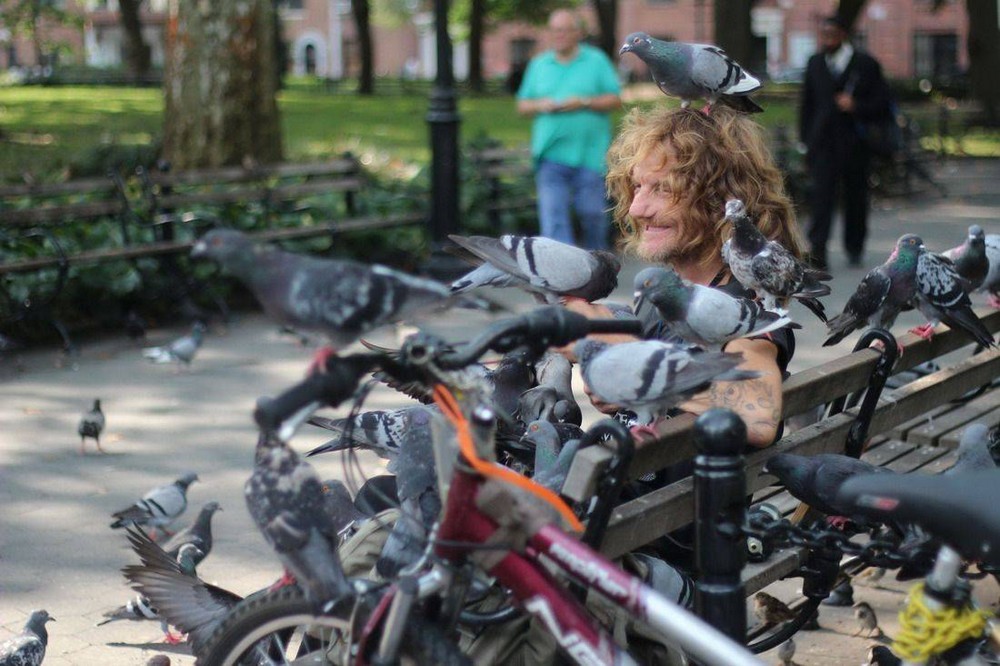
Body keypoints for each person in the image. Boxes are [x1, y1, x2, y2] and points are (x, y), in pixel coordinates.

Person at [569, 105, 804, 449]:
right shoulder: (665, 292)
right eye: (637, 186)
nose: (636, 208)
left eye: (663, 189)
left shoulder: (743, 308)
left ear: (720, 200)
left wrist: (633, 362)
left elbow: (757, 419)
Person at [516, 9, 622, 250]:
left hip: (590, 155)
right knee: (553, 220)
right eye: (555, 30)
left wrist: (583, 102)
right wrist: (540, 105)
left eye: (565, 30)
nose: (559, 35)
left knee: (593, 215)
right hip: (550, 155)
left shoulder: (596, 61)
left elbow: (615, 100)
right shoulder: (539, 64)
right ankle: (560, 269)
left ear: (578, 33)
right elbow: (522, 105)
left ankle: (597, 263)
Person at [799, 15, 892, 270]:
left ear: (843, 35)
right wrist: (805, 140)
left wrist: (856, 106)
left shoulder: (865, 64)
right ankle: (818, 250)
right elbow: (807, 105)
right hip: (823, 143)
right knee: (821, 198)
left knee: (855, 197)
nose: (827, 40)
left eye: (832, 34)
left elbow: (883, 104)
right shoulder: (815, 63)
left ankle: (854, 246)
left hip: (855, 144)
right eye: (824, 35)